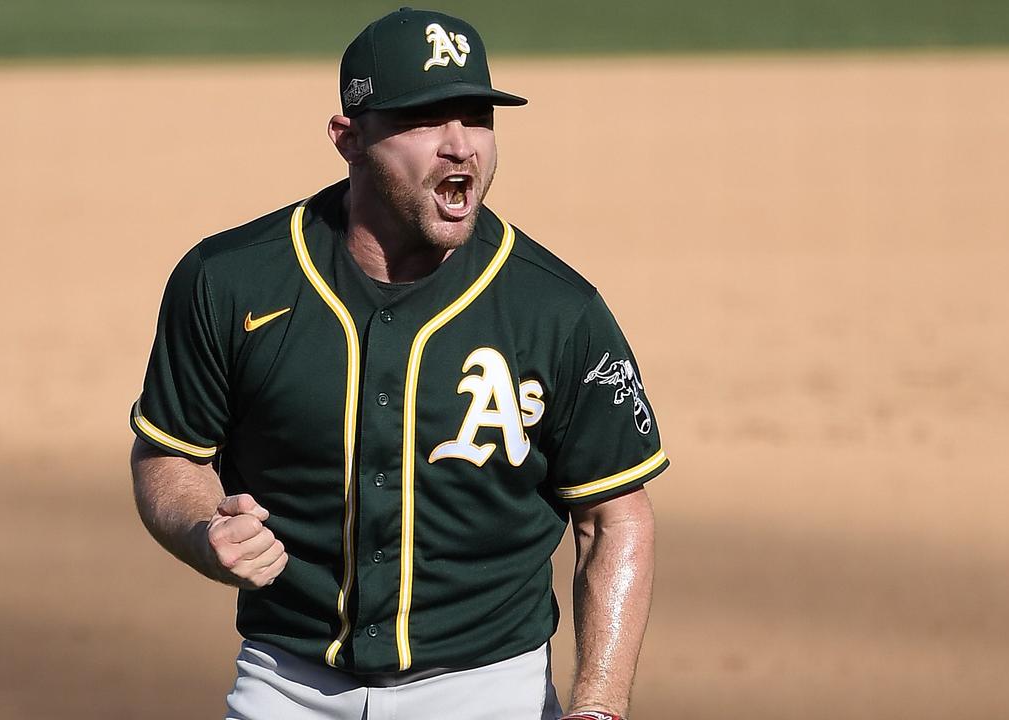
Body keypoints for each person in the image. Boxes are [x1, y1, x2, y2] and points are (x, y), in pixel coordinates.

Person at [129, 8, 667, 720]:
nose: (460, 147)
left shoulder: (557, 309)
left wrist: (598, 705)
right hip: (285, 686)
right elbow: (168, 455)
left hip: (491, 692)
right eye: (422, 120)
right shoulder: (230, 282)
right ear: (348, 139)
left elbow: (615, 518)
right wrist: (203, 530)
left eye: (477, 117)